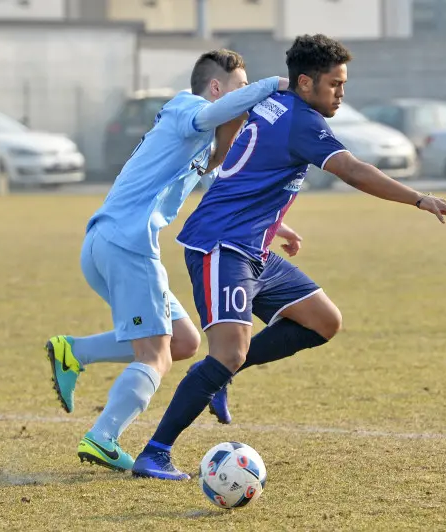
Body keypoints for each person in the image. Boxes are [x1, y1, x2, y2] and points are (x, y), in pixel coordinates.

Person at [131, 33, 446, 480]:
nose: (341, 93)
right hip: (222, 244)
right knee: (228, 352)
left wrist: (270, 220)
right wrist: (419, 198)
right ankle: (155, 452)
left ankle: (221, 374)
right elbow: (353, 170)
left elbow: (242, 143)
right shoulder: (302, 122)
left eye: (344, 84)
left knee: (323, 321)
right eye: (335, 84)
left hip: (252, 244)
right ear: (306, 82)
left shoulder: (273, 100)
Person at [44, 49, 290, 472]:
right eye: (241, 87)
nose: (247, 93)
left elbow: (219, 175)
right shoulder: (186, 107)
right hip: (127, 244)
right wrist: (272, 86)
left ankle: (74, 352)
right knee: (154, 354)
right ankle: (103, 436)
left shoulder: (196, 139)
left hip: (111, 242)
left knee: (182, 342)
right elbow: (217, 114)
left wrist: (277, 225)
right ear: (217, 88)